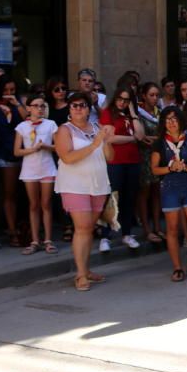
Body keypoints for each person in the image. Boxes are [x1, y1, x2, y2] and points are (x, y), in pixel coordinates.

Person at [54, 92, 114, 291]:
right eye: (74, 105)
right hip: (74, 185)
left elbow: (110, 157)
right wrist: (95, 144)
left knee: (88, 228)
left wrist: (106, 142)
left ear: (89, 109)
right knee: (82, 228)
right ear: (69, 110)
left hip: (97, 184)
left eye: (82, 105)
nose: (78, 108)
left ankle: (86, 269)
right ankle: (80, 274)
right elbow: (67, 157)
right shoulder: (64, 130)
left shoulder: (97, 128)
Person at [150, 106, 187, 281]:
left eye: (174, 118)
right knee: (172, 229)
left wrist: (185, 167)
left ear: (181, 120)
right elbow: (154, 169)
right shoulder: (159, 143)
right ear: (163, 123)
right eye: (167, 119)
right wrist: (170, 167)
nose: (171, 123)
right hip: (169, 187)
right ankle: (177, 267)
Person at [99, 86, 145, 251]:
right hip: (115, 161)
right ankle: (105, 236)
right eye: (120, 99)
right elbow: (110, 138)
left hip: (133, 161)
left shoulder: (132, 115)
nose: (122, 102)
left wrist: (132, 112)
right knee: (112, 198)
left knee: (129, 198)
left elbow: (141, 134)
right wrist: (132, 138)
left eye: (126, 100)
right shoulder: (107, 113)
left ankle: (126, 233)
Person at [14, 93, 58, 255]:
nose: (40, 109)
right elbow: (17, 151)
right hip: (30, 169)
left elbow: (59, 146)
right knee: (33, 205)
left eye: (42, 106)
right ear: (29, 108)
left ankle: (48, 239)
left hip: (47, 168)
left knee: (46, 204)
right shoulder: (22, 127)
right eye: (36, 106)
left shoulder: (50, 124)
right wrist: (32, 149)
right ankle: (34, 240)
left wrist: (46, 146)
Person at [0, 75, 25, 246]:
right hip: (6, 153)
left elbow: (29, 120)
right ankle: (12, 231)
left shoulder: (18, 104)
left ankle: (21, 227)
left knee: (23, 194)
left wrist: (17, 104)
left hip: (25, 153)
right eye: (5, 90)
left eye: (12, 90)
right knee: (9, 193)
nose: (9, 94)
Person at [136, 82, 163, 244]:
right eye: (151, 95)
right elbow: (141, 138)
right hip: (144, 156)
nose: (154, 98)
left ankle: (158, 227)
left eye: (156, 95)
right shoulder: (138, 115)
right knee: (144, 193)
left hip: (158, 156)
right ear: (144, 96)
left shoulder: (159, 113)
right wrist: (155, 139)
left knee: (156, 193)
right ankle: (146, 228)